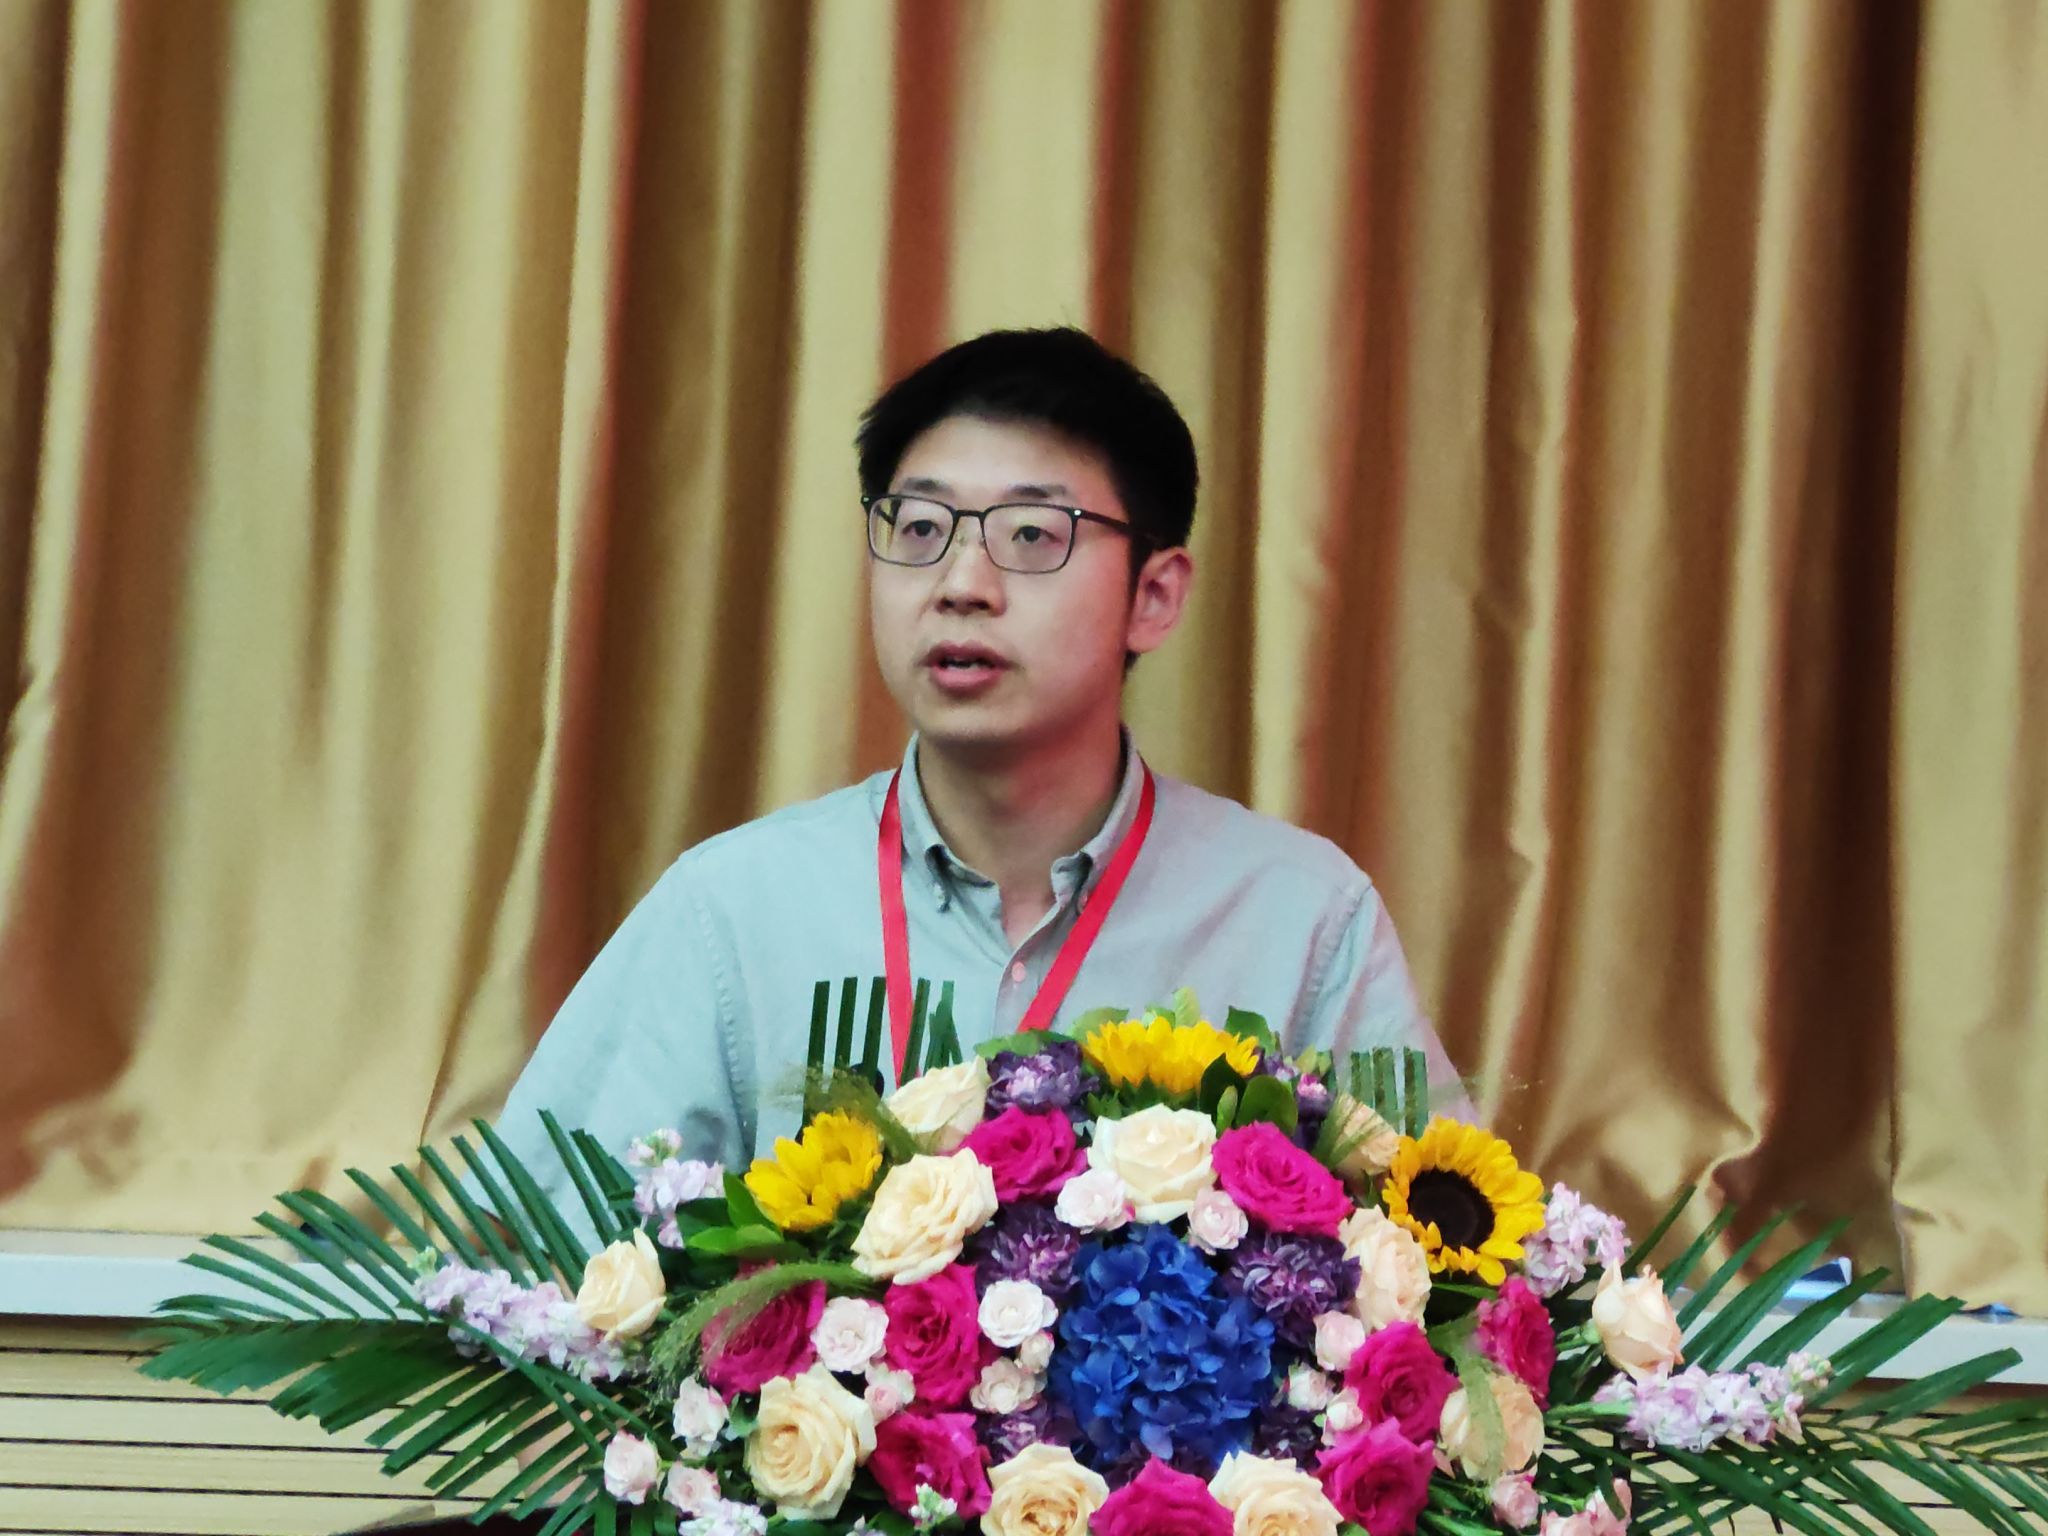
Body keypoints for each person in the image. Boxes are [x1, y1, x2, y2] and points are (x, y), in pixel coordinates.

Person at [495, 327, 1467, 1194]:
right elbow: (532, 1260)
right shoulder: (735, 912)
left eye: (1032, 535)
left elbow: (1438, 1278)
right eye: (920, 528)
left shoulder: (1299, 918)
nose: (962, 584)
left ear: (1154, 596)